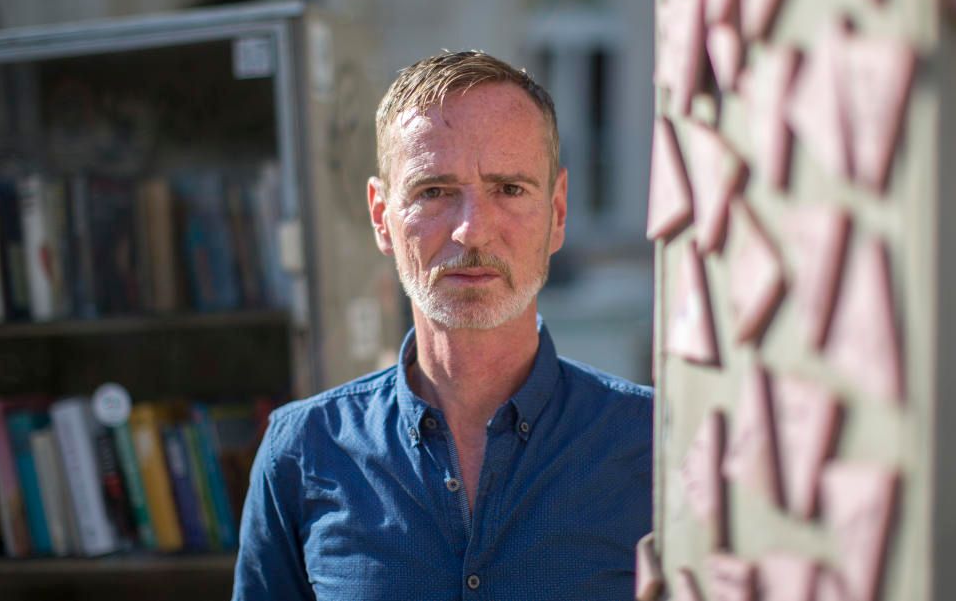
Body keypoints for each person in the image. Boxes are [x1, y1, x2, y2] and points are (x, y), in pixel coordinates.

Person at [232, 51, 652, 601]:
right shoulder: (301, 451)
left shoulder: (652, 443)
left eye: (509, 188)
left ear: (558, 212)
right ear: (382, 217)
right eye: (434, 191)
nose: (472, 231)